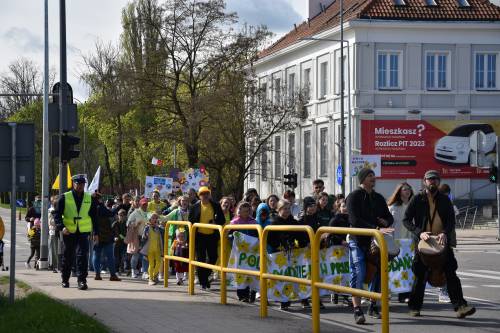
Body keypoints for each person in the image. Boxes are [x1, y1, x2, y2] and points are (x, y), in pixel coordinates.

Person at [403, 170, 475, 319]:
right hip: (423, 244)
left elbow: (451, 221)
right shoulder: (417, 198)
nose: (432, 182)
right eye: (430, 179)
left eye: (435, 179)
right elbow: (406, 220)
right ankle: (414, 307)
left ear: (439, 182)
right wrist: (419, 232)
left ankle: (460, 306)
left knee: (451, 274)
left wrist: (444, 233)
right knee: (420, 276)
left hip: (442, 243)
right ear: (424, 181)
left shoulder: (444, 199)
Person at [346, 167, 394, 324]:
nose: (373, 178)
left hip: (374, 241)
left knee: (378, 271)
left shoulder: (378, 198)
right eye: (370, 176)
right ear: (362, 179)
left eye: (374, 176)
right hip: (357, 240)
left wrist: (386, 221)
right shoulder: (353, 196)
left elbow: (388, 217)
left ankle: (373, 305)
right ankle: (357, 309)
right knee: (359, 272)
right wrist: (376, 228)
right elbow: (354, 220)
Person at [53, 174, 99, 290]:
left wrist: (96, 233)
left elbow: (94, 217)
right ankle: (65, 279)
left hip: (83, 232)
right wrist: (61, 227)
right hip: (69, 231)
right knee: (68, 256)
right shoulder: (65, 197)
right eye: (78, 184)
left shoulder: (89, 198)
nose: (80, 186)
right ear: (73, 184)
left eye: (82, 184)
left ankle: (82, 280)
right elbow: (57, 214)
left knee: (83, 256)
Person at [268, 199, 304, 310]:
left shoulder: (293, 222)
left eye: (289, 209)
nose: (287, 211)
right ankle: (282, 300)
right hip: (278, 254)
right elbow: (269, 239)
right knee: (281, 278)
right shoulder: (274, 222)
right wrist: (279, 246)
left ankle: (291, 299)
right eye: (284, 209)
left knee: (292, 277)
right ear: (278, 210)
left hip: (292, 254)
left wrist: (302, 244)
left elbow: (301, 235)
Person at [188, 186, 225, 290]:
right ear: (199, 196)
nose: (205, 196)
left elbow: (222, 220)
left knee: (213, 257)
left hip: (212, 236)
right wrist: (189, 239)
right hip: (199, 237)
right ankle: (203, 282)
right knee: (200, 259)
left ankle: (204, 276)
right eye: (202, 194)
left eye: (206, 194)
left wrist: (215, 222)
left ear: (209, 195)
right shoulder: (194, 207)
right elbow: (190, 222)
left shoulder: (216, 206)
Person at [387, 182, 414, 303]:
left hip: (410, 243)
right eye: (404, 189)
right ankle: (390, 291)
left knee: (408, 269)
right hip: (396, 242)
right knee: (396, 269)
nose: (407, 191)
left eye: (409, 189)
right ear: (399, 192)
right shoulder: (392, 208)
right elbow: (389, 226)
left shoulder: (413, 206)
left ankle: (405, 294)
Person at [230, 201, 258, 302]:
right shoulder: (234, 222)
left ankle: (251, 292)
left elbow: (258, 235)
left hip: (251, 252)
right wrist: (234, 240)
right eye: (244, 211)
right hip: (239, 252)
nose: (246, 213)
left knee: (251, 272)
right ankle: (242, 295)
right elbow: (230, 235)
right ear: (239, 211)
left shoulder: (254, 222)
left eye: (248, 211)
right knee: (240, 272)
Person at [437, 183, 459, 303]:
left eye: (447, 195)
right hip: (437, 240)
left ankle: (444, 290)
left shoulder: (450, 206)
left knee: (446, 267)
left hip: (447, 241)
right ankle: (442, 291)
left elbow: (452, 224)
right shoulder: (434, 205)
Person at [92, 193, 121, 282]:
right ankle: (112, 275)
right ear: (99, 199)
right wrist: (118, 206)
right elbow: (111, 213)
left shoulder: (90, 208)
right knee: (110, 256)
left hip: (95, 233)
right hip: (106, 235)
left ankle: (97, 274)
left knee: (96, 255)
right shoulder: (100, 207)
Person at [126, 197, 149, 279]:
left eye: (146, 204)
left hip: (146, 237)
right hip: (137, 236)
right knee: (135, 255)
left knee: (145, 255)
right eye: (143, 204)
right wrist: (135, 223)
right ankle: (133, 270)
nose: (145, 205)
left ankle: (145, 272)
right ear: (140, 204)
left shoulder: (149, 213)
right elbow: (128, 223)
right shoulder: (135, 212)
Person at [141, 212, 163, 285]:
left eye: (156, 218)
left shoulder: (158, 228)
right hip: (149, 249)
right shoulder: (147, 227)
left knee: (159, 263)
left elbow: (161, 237)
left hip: (157, 249)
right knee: (151, 264)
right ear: (149, 219)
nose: (155, 219)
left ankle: (154, 276)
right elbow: (143, 237)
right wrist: (145, 234)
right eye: (153, 218)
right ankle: (151, 279)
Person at [112, 209, 128, 275]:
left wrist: (126, 239)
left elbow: (127, 232)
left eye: (122, 215)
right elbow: (113, 233)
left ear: (125, 216)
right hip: (117, 243)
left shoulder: (127, 224)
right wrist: (114, 237)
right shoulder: (115, 223)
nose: (120, 216)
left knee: (123, 256)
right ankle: (116, 270)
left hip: (124, 243)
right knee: (116, 257)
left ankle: (122, 269)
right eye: (119, 215)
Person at [48, 195, 59, 273]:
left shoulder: (60, 210)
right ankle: (54, 266)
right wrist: (59, 222)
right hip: (54, 231)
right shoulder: (50, 210)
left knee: (60, 249)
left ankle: (60, 265)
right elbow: (50, 222)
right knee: (54, 250)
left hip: (61, 231)